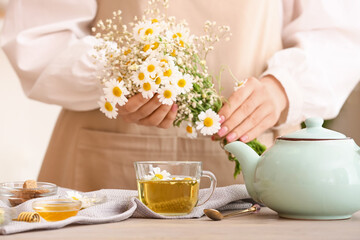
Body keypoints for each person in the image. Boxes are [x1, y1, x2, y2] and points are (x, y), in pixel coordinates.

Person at [2, 0, 360, 191]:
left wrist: (283, 88)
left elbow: (339, 34)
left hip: (257, 159)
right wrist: (114, 77)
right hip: (105, 164)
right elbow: (36, 35)